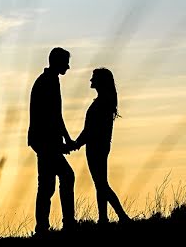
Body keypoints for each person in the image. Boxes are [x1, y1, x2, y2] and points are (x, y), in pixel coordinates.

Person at [28, 46, 77, 234]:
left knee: (48, 184)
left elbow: (56, 115)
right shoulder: (49, 82)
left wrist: (65, 140)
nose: (69, 67)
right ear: (57, 62)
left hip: (44, 140)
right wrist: (64, 142)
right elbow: (53, 115)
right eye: (66, 63)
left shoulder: (48, 80)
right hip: (45, 141)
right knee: (63, 177)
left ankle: (44, 227)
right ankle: (65, 224)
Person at [73, 68, 130, 224]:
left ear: (100, 81)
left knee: (101, 184)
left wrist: (76, 143)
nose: (91, 81)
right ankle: (104, 218)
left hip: (96, 147)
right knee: (100, 183)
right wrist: (77, 143)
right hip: (99, 146)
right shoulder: (104, 101)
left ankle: (122, 216)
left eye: (93, 78)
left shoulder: (102, 103)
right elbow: (89, 130)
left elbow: (91, 130)